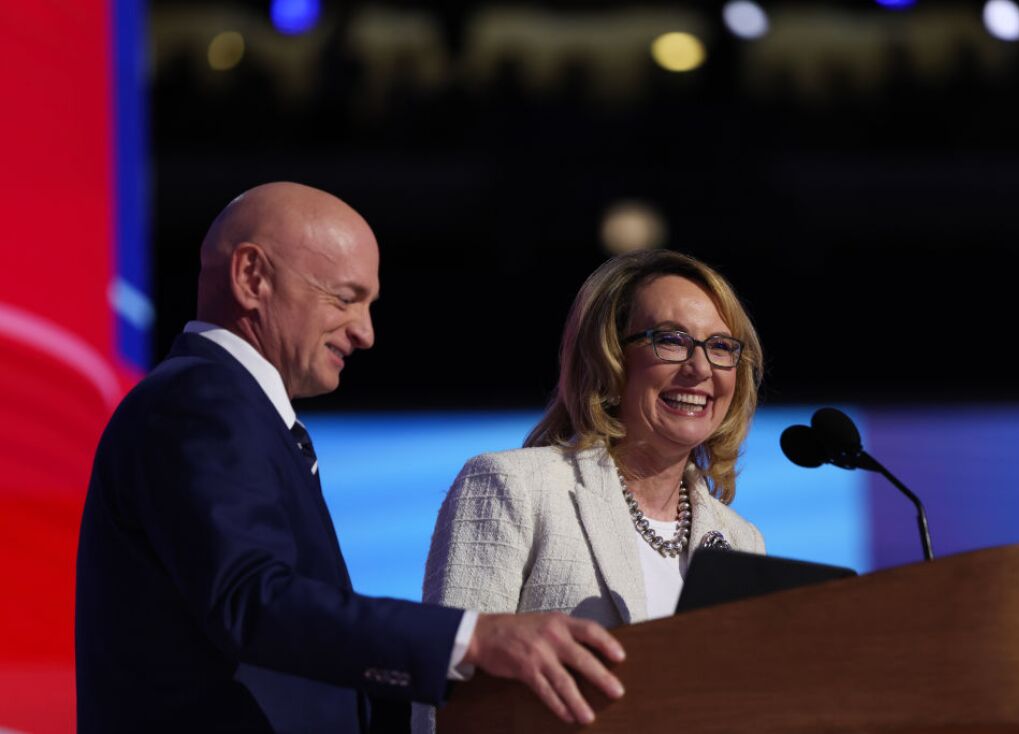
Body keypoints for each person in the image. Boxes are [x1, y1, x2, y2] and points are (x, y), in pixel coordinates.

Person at [75, 182, 624, 733]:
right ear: (252, 278)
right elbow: (253, 601)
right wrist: (473, 638)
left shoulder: (234, 410)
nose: (365, 333)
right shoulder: (201, 400)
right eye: (344, 297)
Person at [419, 251, 764, 715]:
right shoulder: (513, 486)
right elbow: (446, 696)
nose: (700, 368)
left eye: (721, 347)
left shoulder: (742, 540)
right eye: (672, 340)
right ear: (609, 358)